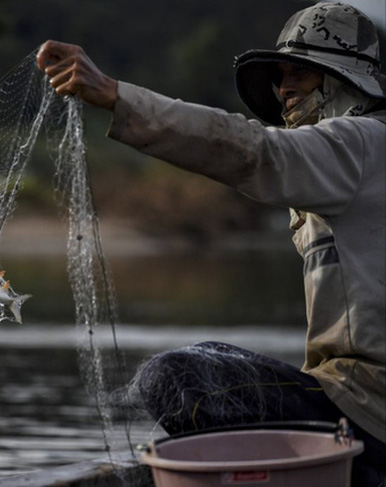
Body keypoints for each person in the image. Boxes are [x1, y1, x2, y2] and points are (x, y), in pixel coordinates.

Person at [37, 2, 385, 485]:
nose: (284, 89)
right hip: (352, 404)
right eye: (280, 76)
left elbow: (253, 150)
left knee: (176, 378)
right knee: (211, 353)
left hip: (368, 411)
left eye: (300, 76)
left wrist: (116, 97)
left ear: (342, 84)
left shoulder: (362, 143)